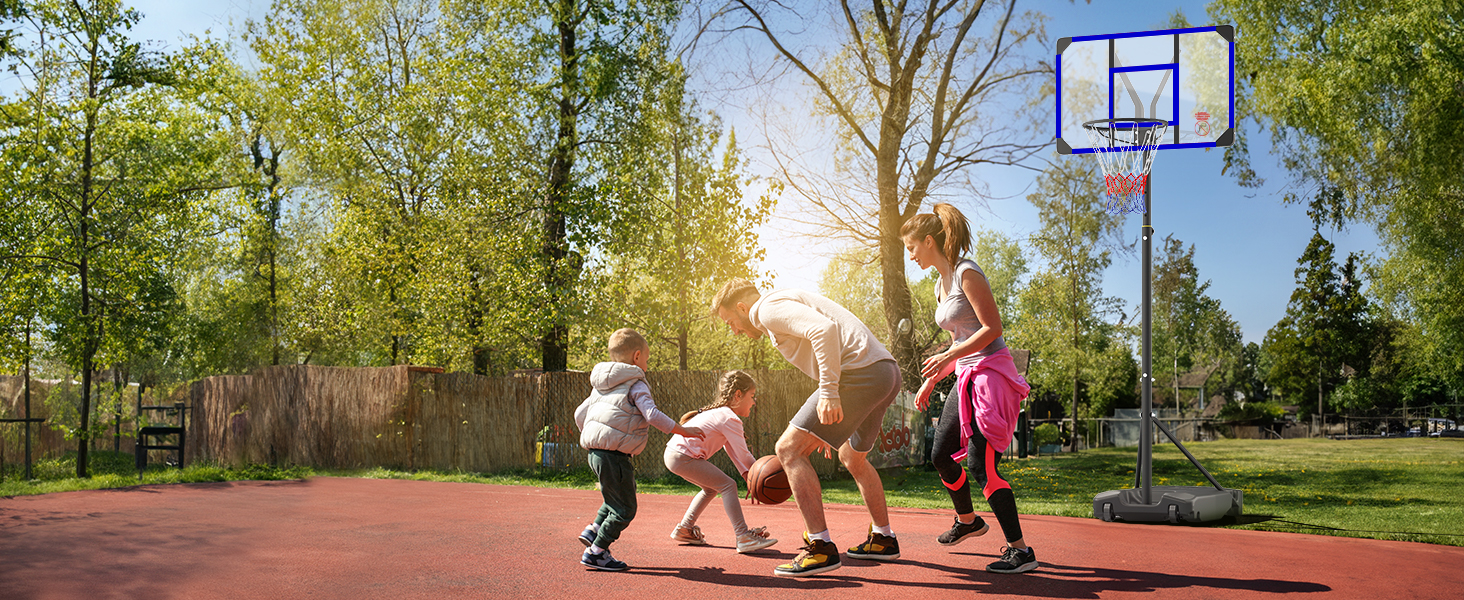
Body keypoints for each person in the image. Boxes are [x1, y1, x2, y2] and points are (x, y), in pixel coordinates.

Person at [711, 279, 902, 577]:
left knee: (787, 449)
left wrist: (829, 392)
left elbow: (823, 330)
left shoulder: (765, 309)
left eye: (730, 322)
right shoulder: (782, 303)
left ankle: (821, 547)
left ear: (742, 307)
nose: (733, 330)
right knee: (852, 457)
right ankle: (884, 538)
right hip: (885, 372)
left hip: (859, 373)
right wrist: (831, 420)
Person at [902, 203, 1038, 574]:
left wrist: (951, 354)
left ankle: (1021, 551)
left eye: (912, 247)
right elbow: (959, 340)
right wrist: (933, 376)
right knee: (941, 454)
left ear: (928, 241)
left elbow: (992, 329)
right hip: (963, 376)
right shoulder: (938, 285)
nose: (910, 255)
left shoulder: (967, 272)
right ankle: (968, 521)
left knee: (981, 464)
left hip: (990, 376)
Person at [573, 328, 704, 571]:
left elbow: (580, 414)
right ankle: (597, 551)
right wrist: (682, 430)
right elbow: (651, 414)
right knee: (625, 509)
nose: (646, 363)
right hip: (615, 454)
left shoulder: (602, 385)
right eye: (646, 358)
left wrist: (593, 436)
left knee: (616, 496)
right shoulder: (636, 382)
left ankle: (593, 530)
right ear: (636, 357)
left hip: (595, 452)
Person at [663, 370, 779, 554]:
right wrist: (758, 473)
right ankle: (743, 536)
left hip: (675, 454)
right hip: (682, 456)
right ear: (738, 395)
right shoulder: (730, 418)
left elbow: (731, 450)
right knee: (728, 485)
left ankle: (685, 529)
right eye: (752, 396)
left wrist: (747, 474)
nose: (754, 402)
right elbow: (744, 454)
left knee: (711, 488)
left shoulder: (722, 414)